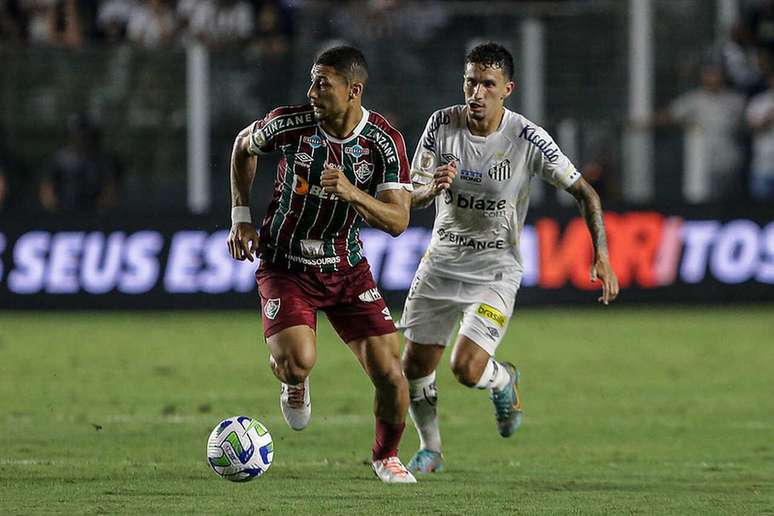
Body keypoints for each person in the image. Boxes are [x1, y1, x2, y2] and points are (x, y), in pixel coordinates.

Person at [398, 43, 619, 474]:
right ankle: (432, 449)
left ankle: (503, 380)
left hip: (495, 269)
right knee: (414, 364)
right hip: (441, 262)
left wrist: (603, 256)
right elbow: (413, 195)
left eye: (487, 84)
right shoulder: (441, 124)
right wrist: (432, 187)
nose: (476, 92)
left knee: (465, 368)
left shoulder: (527, 138)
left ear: (507, 89)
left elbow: (584, 193)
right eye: (470, 81)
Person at [227, 46, 416, 483]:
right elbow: (242, 146)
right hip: (285, 263)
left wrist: (352, 192)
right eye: (312, 81)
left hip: (347, 268)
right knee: (297, 361)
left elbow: (398, 220)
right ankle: (293, 382)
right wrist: (241, 218)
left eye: (322, 83)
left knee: (391, 374)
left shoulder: (384, 142)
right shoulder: (290, 123)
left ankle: (385, 457)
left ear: (354, 90)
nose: (312, 91)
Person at [39, 113, 121, 213]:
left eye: (86, 133)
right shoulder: (58, 159)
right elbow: (47, 190)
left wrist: (102, 209)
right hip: (63, 213)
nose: (82, 136)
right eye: (78, 131)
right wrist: (54, 210)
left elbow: (110, 189)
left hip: (96, 215)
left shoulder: (103, 160)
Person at [745, 70, 774, 201]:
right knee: (760, 209)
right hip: (763, 166)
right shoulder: (759, 101)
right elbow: (752, 128)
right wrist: (769, 117)